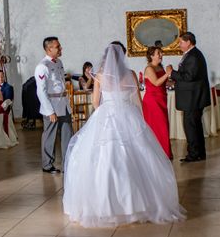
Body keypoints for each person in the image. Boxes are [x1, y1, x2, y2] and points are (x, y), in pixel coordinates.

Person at [63, 43, 186, 227]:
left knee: (104, 158)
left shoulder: (101, 76)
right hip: (129, 115)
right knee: (137, 156)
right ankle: (137, 203)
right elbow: (137, 101)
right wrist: (136, 118)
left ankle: (105, 205)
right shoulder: (131, 74)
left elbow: (96, 102)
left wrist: (107, 110)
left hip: (106, 117)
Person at [166, 32, 210, 162]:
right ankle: (199, 153)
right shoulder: (192, 54)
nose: (179, 45)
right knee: (195, 126)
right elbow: (188, 76)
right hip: (193, 97)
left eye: (181, 42)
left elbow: (188, 76)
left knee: (191, 127)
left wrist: (171, 72)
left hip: (193, 99)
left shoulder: (193, 56)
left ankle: (193, 154)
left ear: (189, 42)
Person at [35, 37, 73, 174]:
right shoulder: (42, 66)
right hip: (51, 106)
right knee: (49, 136)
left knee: (67, 134)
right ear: (49, 49)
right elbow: (41, 91)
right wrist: (49, 111)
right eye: (58, 46)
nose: (60, 48)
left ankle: (67, 163)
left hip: (63, 104)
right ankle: (47, 165)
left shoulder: (59, 62)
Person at [142, 46, 172, 159]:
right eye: (158, 53)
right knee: (158, 127)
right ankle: (158, 154)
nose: (161, 55)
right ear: (151, 56)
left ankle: (165, 152)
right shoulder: (149, 68)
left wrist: (175, 80)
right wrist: (168, 73)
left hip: (162, 99)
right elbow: (156, 83)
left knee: (164, 126)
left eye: (161, 53)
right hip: (152, 101)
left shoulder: (160, 67)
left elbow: (165, 83)